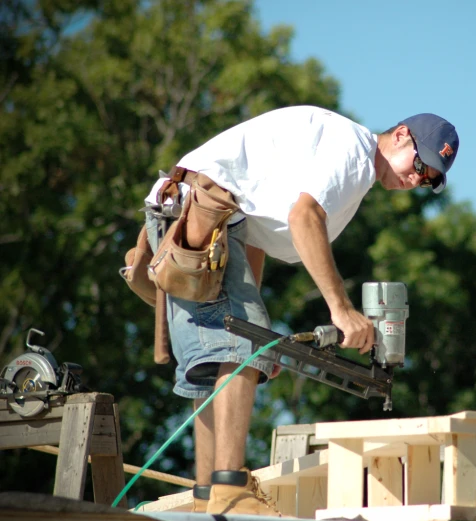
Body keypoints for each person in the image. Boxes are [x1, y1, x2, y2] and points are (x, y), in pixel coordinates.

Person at [142, 105, 459, 515]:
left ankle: (209, 496)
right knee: (233, 351)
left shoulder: (351, 164)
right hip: (203, 210)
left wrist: (258, 333)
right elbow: (303, 217)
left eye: (428, 179)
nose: (417, 178)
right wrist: (341, 310)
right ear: (400, 135)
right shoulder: (355, 153)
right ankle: (229, 487)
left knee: (214, 362)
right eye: (420, 164)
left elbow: (254, 234)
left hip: (206, 216)